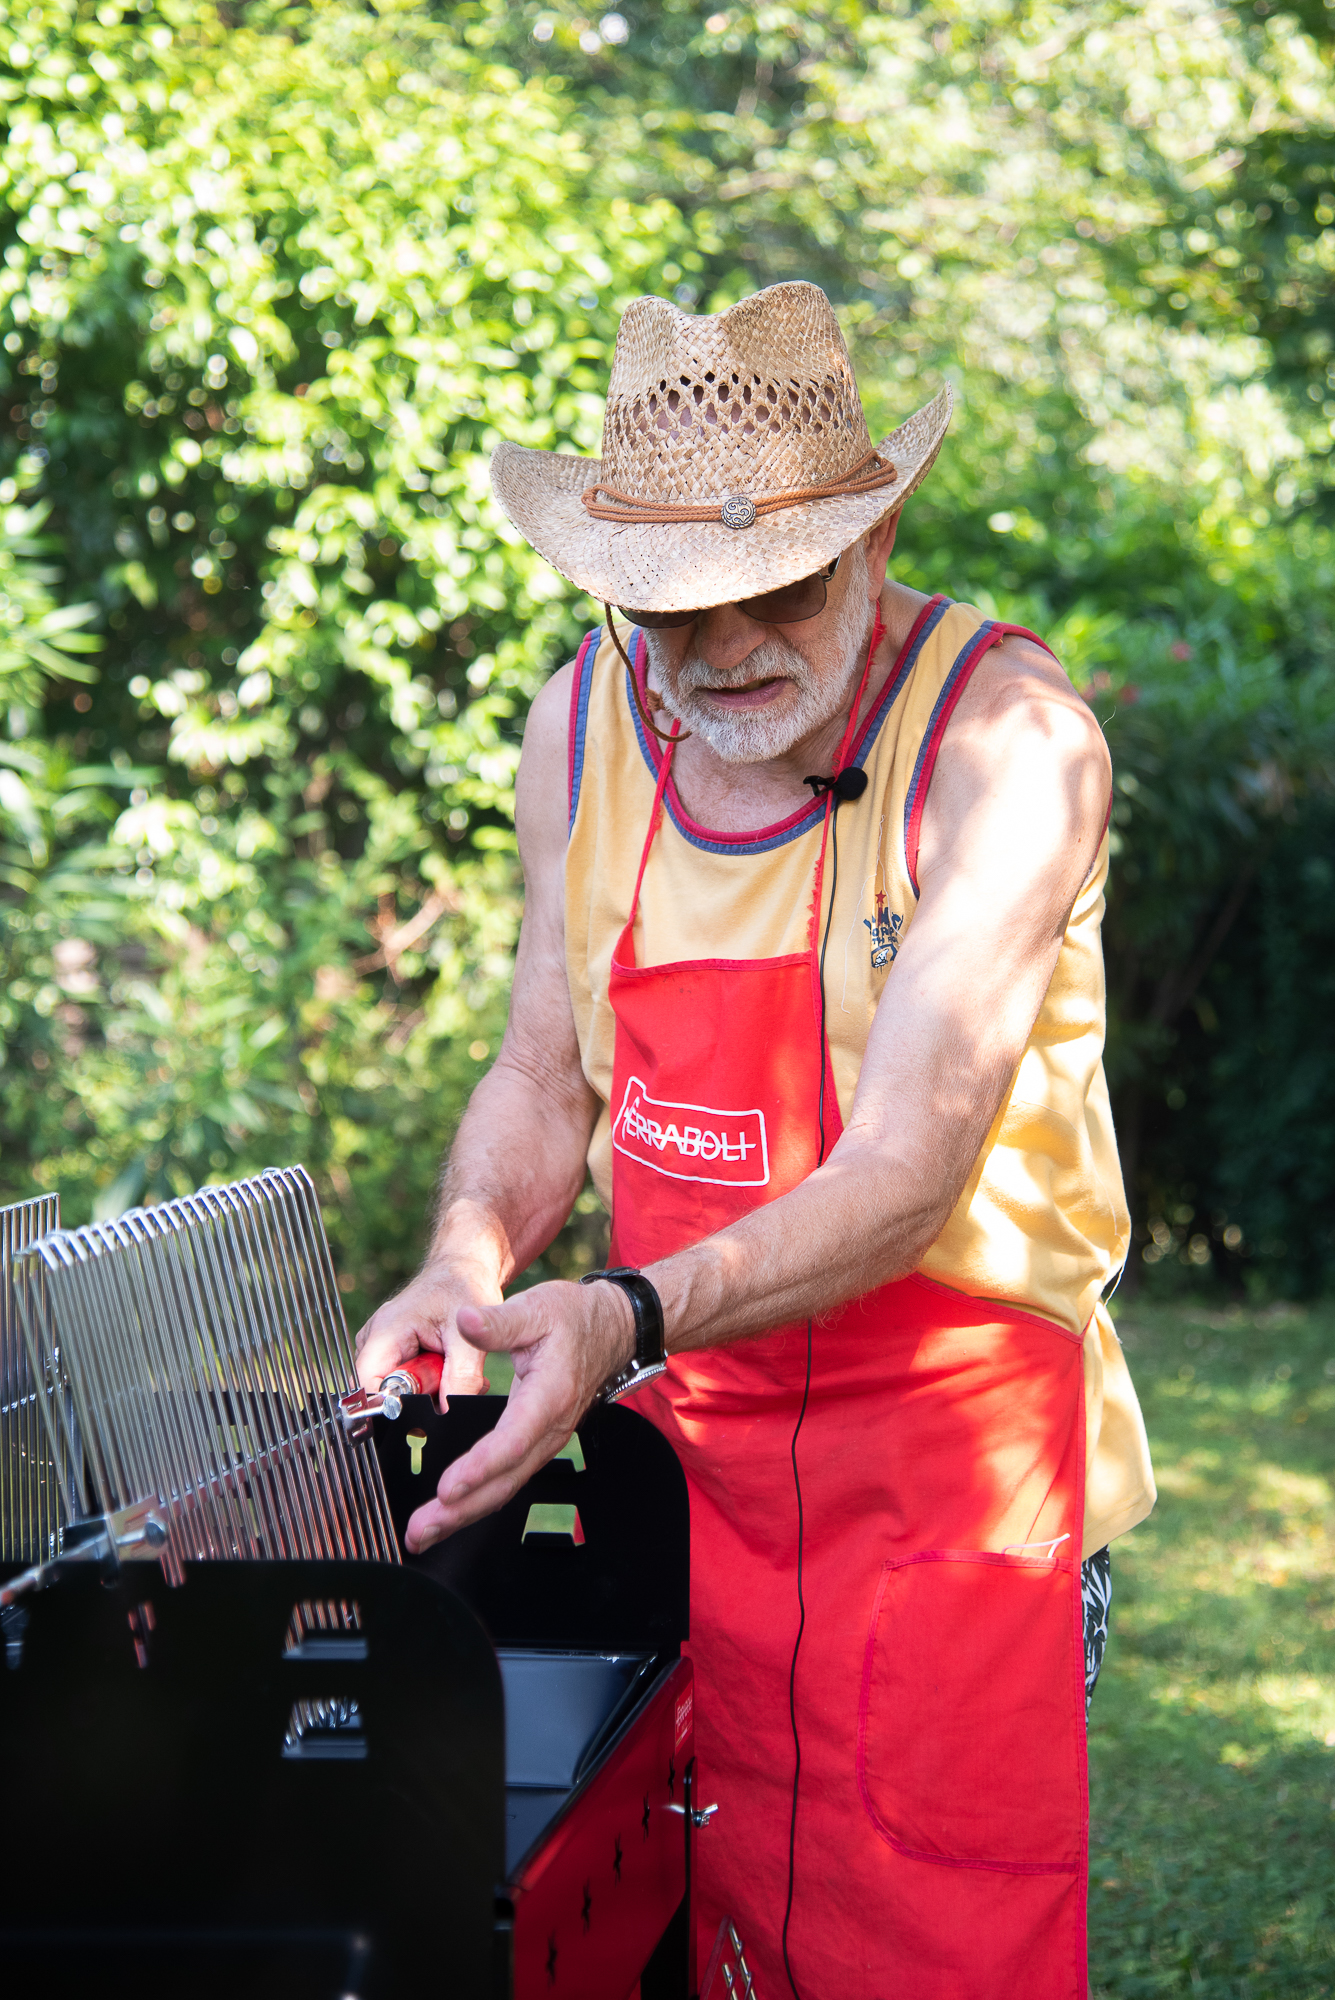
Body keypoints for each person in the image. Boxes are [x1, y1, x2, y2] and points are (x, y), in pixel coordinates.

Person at [356, 281, 1155, 1998]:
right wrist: (466, 1261)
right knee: (656, 1921)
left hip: (953, 1485)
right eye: (670, 607)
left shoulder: (1008, 746)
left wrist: (621, 1315)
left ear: (873, 541)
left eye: (771, 587)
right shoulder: (580, 729)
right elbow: (540, 1071)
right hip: (678, 1467)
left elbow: (907, 1171)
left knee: (938, 1944)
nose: (723, 648)